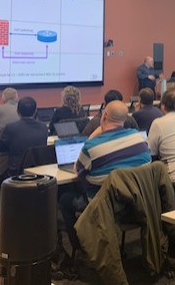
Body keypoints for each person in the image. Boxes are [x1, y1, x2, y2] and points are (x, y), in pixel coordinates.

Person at [60, 101, 151, 250]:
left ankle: (80, 250)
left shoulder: (92, 146)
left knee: (65, 200)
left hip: (106, 207)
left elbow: (77, 169)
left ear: (104, 116)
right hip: (138, 204)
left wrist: (94, 134)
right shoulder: (139, 138)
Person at [0, 96, 48, 177]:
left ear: (18, 111)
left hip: (16, 175)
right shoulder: (44, 127)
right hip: (39, 173)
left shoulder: (10, 128)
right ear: (35, 111)